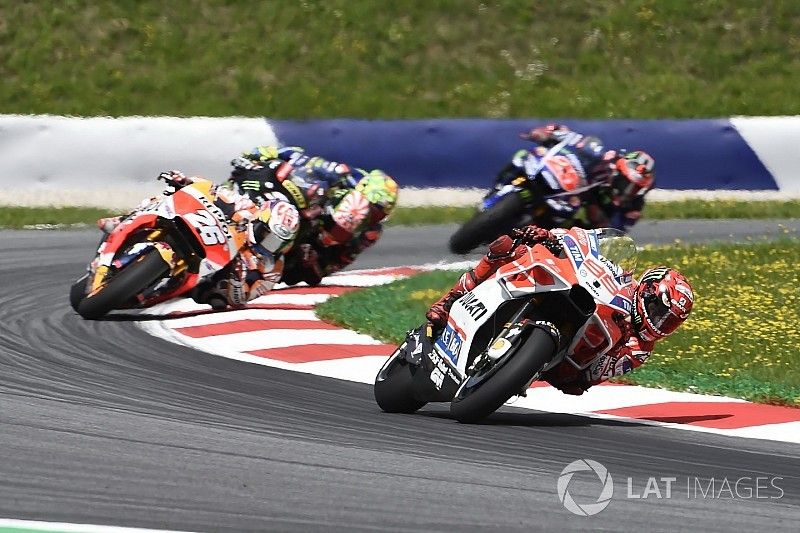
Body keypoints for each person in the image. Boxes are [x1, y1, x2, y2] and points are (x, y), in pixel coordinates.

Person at [426, 224, 694, 395]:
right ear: (646, 290)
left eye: (668, 322)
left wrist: (583, 378)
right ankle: (450, 300)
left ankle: (514, 368)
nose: (660, 322)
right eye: (660, 312)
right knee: (508, 247)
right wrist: (549, 236)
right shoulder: (625, 282)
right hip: (570, 294)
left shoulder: (640, 348)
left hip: (570, 364)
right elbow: (583, 241)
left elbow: (598, 373)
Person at [97, 170, 299, 309]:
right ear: (259, 220)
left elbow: (244, 299)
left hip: (213, 280)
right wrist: (185, 181)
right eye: (267, 235)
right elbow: (213, 189)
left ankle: (149, 290)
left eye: (277, 242)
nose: (269, 244)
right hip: (204, 231)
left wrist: (237, 282)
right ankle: (124, 220)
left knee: (216, 299)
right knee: (164, 198)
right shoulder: (246, 206)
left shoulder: (274, 269)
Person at [506, 123, 655, 232]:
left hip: (579, 212)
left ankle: (535, 232)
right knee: (522, 157)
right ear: (619, 171)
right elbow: (577, 141)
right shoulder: (607, 161)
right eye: (626, 183)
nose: (628, 190)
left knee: (567, 228)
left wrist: (603, 220)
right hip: (565, 183)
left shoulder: (633, 205)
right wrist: (552, 131)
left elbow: (615, 233)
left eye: (635, 188)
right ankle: (503, 185)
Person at [283, 168, 399, 286]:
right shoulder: (350, 178)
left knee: (294, 276)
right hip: (309, 212)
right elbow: (310, 171)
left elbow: (336, 263)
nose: (374, 217)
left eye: (381, 214)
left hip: (318, 247)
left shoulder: (371, 232)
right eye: (375, 211)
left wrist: (313, 262)